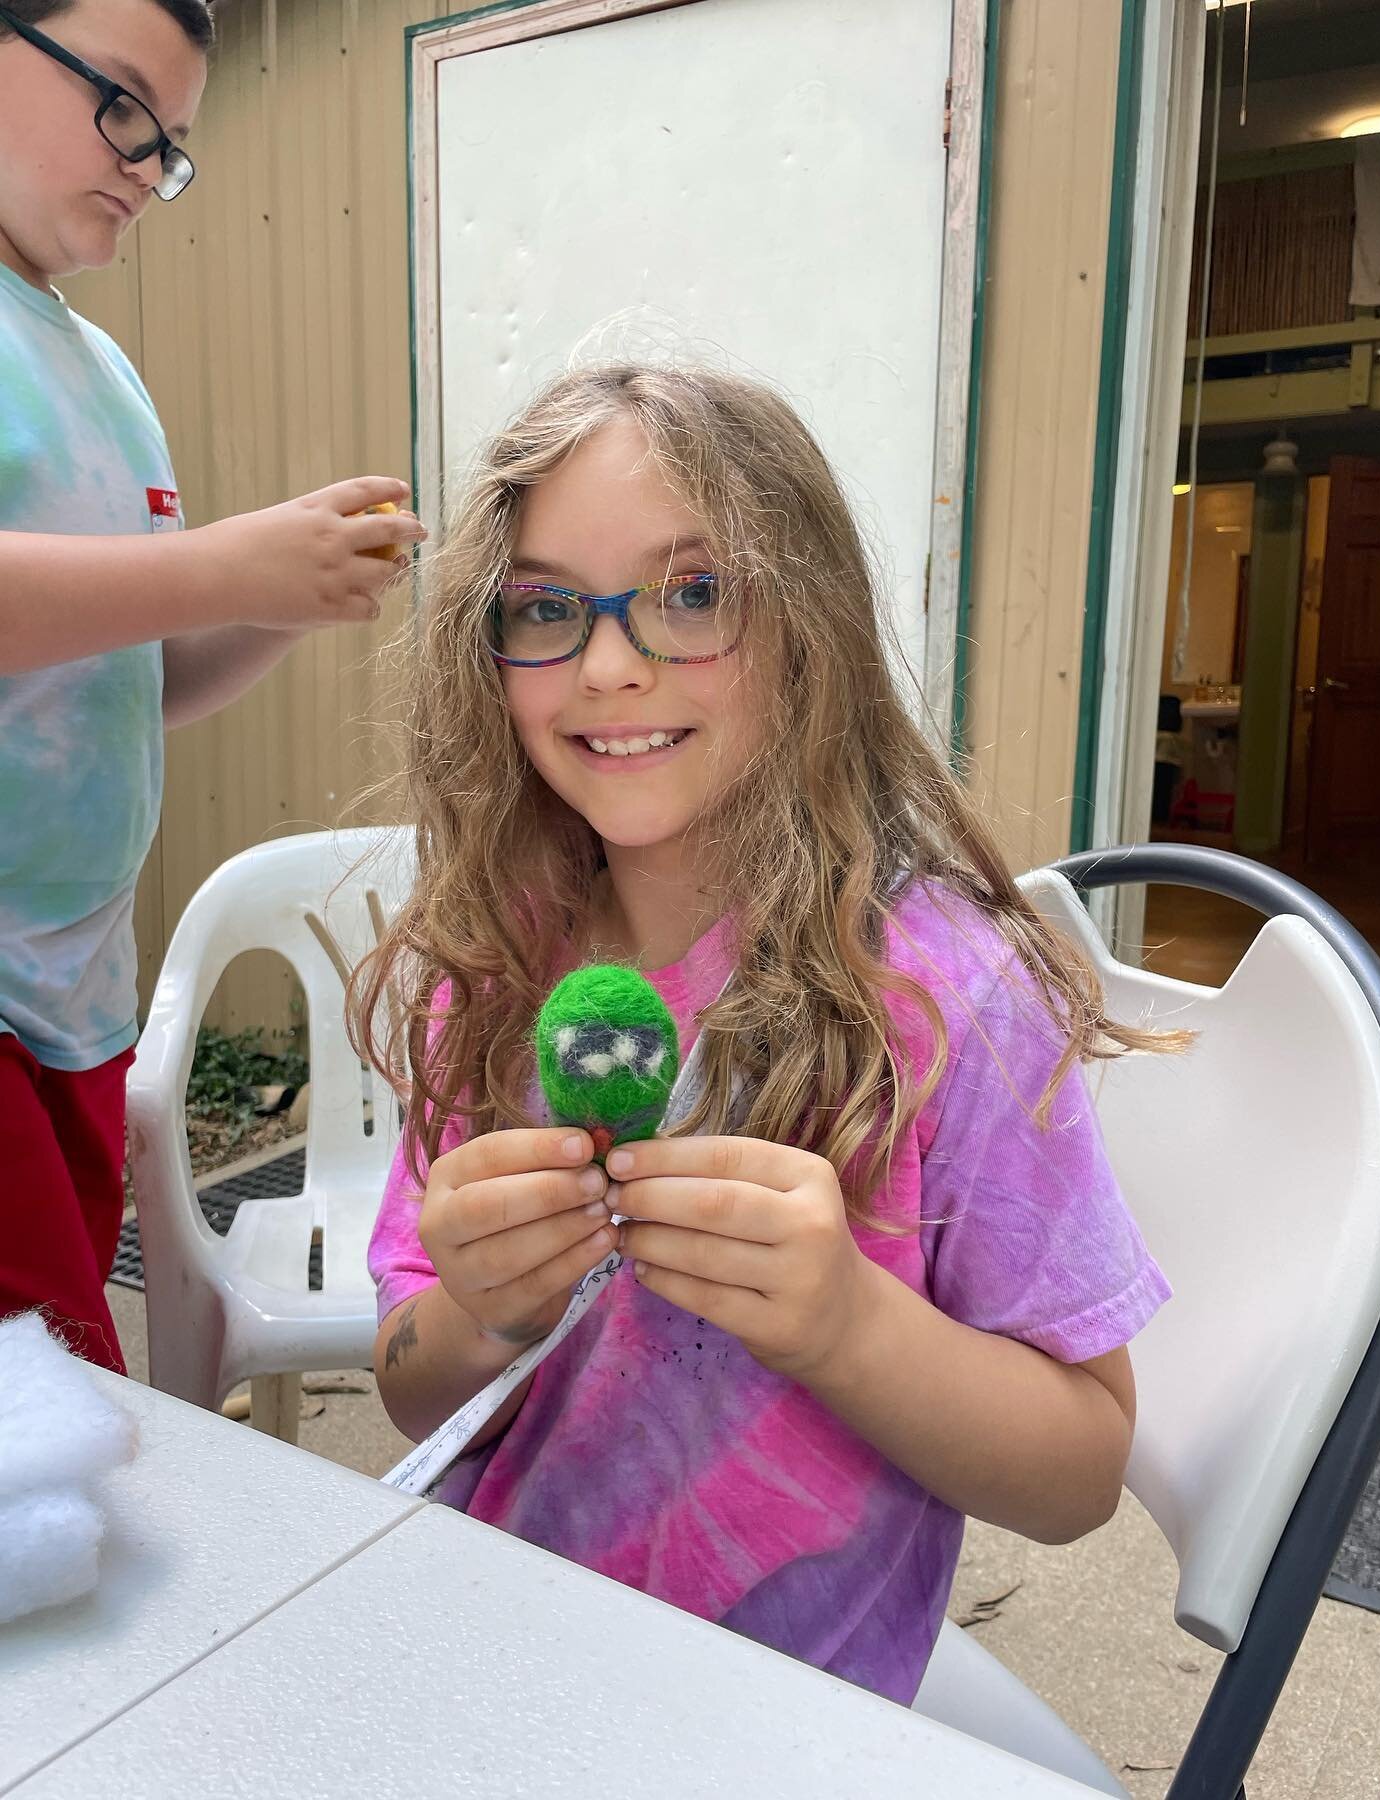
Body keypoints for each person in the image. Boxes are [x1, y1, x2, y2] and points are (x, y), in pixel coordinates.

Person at [351, 364, 1171, 1706]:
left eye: (692, 592)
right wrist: (480, 1314)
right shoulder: (496, 963)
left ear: (807, 627)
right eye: (548, 608)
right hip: (494, 1656)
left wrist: (848, 1323)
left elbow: (1080, 1475)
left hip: (779, 1721)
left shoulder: (943, 1001)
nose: (611, 664)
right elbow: (408, 1387)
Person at [0, 0, 424, 1373]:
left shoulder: (101, 368)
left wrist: (275, 596)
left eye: (172, 142)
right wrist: (224, 564)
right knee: (47, 1428)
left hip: (77, 996)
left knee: (54, 1398)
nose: (146, 161)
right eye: (122, 103)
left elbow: (138, 678)